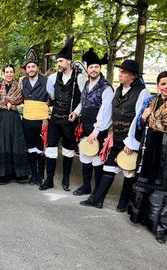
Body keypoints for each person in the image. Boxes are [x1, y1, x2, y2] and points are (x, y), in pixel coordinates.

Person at [129, 71, 167, 244]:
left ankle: (161, 227)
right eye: (163, 84)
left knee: (166, 188)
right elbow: (143, 127)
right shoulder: (153, 101)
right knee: (148, 181)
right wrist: (143, 117)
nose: (166, 87)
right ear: (158, 85)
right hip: (151, 147)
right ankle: (145, 218)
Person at [80, 60, 151, 211]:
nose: (120, 74)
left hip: (130, 139)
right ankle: (97, 200)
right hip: (116, 136)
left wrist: (131, 142)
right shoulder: (118, 90)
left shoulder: (142, 92)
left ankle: (124, 202)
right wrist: (108, 132)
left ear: (132, 76)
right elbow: (109, 113)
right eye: (120, 72)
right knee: (108, 168)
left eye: (124, 72)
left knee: (128, 170)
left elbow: (138, 119)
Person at [40, 37, 85, 192]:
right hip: (55, 119)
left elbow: (83, 99)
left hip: (70, 119)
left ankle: (66, 179)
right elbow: (51, 96)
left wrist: (76, 112)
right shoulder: (52, 78)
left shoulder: (79, 78)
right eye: (57, 61)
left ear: (68, 62)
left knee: (68, 150)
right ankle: (49, 180)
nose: (58, 64)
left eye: (60, 61)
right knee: (51, 149)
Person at [72, 48, 114, 196]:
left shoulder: (106, 88)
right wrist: (76, 112)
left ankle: (97, 190)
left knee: (96, 158)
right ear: (87, 69)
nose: (94, 70)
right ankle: (86, 186)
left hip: (98, 128)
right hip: (85, 125)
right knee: (85, 155)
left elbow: (105, 111)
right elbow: (82, 103)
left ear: (100, 68)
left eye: (96, 67)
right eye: (91, 67)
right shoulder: (86, 84)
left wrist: (96, 131)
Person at [0, 64, 30, 184]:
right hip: (1, 117)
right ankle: (2, 174)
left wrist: (13, 106)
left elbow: (22, 102)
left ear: (14, 74)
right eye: (6, 72)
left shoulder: (18, 87)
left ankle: (18, 174)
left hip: (14, 118)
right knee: (2, 143)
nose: (9, 74)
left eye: (11, 72)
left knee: (15, 143)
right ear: (3, 74)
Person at [20, 47, 50, 186]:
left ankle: (40, 175)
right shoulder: (23, 82)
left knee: (41, 148)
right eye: (29, 67)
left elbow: (53, 98)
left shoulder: (46, 81)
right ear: (26, 69)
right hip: (27, 120)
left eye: (33, 66)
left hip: (41, 120)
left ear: (37, 67)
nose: (31, 69)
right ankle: (32, 174)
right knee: (30, 148)